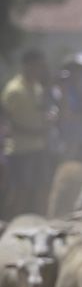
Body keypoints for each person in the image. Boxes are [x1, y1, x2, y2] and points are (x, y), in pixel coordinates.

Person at [1, 49, 55, 217]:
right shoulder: (14, 90)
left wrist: (47, 119)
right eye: (37, 66)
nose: (40, 70)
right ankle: (13, 224)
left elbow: (37, 112)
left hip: (38, 147)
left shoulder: (38, 87)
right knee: (20, 191)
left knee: (42, 188)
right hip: (20, 149)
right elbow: (7, 120)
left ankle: (41, 222)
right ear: (27, 66)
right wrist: (33, 132)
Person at [53, 59, 82, 163]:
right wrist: (64, 89)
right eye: (72, 71)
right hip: (69, 138)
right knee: (69, 163)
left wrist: (81, 89)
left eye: (78, 71)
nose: (76, 74)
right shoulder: (60, 90)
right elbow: (64, 112)